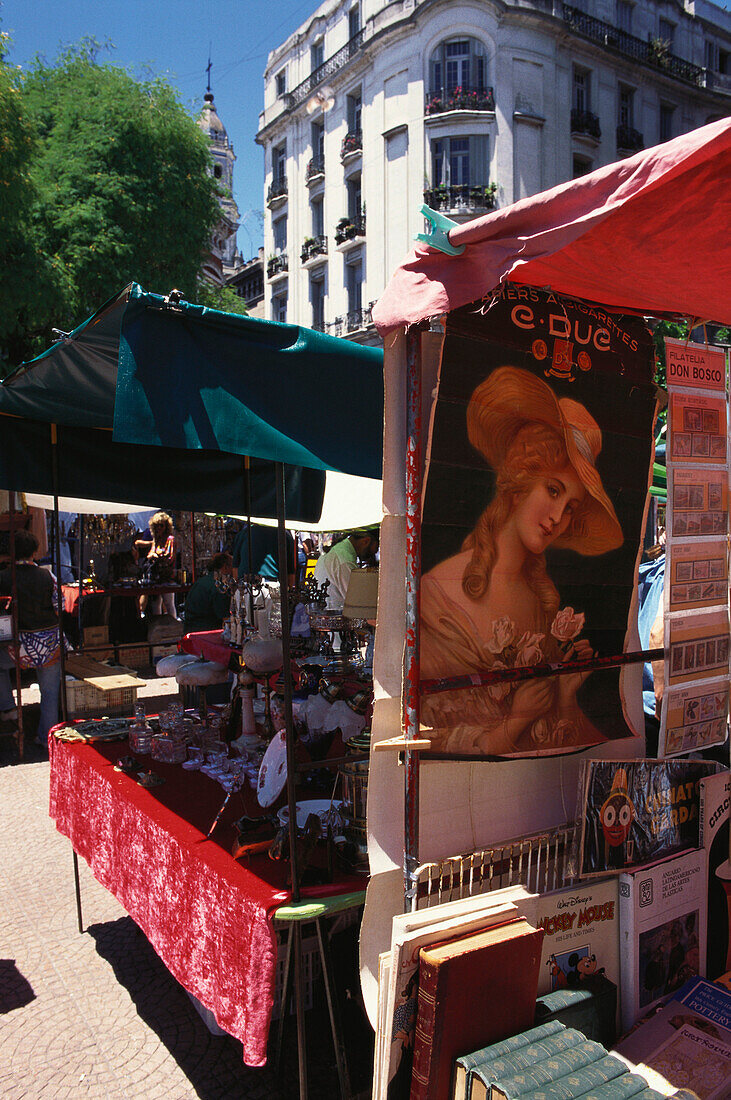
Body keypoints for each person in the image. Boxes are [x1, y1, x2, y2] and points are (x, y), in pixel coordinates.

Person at [420, 365, 624, 756]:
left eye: (571, 508)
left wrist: (565, 695)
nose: (557, 519)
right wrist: (515, 721)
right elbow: (428, 739)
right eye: (552, 490)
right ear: (519, 482)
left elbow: (554, 737)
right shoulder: (437, 594)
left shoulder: (541, 602)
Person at [0, 529, 64, 747]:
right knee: (50, 692)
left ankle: (8, 708)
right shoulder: (48, 575)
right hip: (49, 646)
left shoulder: (3, 577)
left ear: (10, 553)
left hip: (16, 648)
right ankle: (47, 737)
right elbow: (60, 605)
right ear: (35, 552)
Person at [314, 530, 379, 610]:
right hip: (333, 615)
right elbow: (356, 601)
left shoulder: (340, 551)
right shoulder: (344, 560)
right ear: (366, 541)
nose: (376, 552)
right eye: (377, 547)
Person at [135, 511, 178, 618]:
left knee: (169, 604)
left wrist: (157, 556)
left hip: (167, 577)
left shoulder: (170, 540)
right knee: (156, 604)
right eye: (157, 526)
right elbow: (150, 554)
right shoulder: (156, 540)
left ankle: (173, 627)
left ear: (166, 526)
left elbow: (170, 557)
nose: (159, 528)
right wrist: (154, 555)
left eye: (161, 526)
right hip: (155, 577)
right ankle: (158, 628)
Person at [183, 553, 234, 634]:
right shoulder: (220, 587)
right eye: (232, 566)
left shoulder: (201, 582)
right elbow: (226, 619)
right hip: (206, 631)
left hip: (190, 629)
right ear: (225, 567)